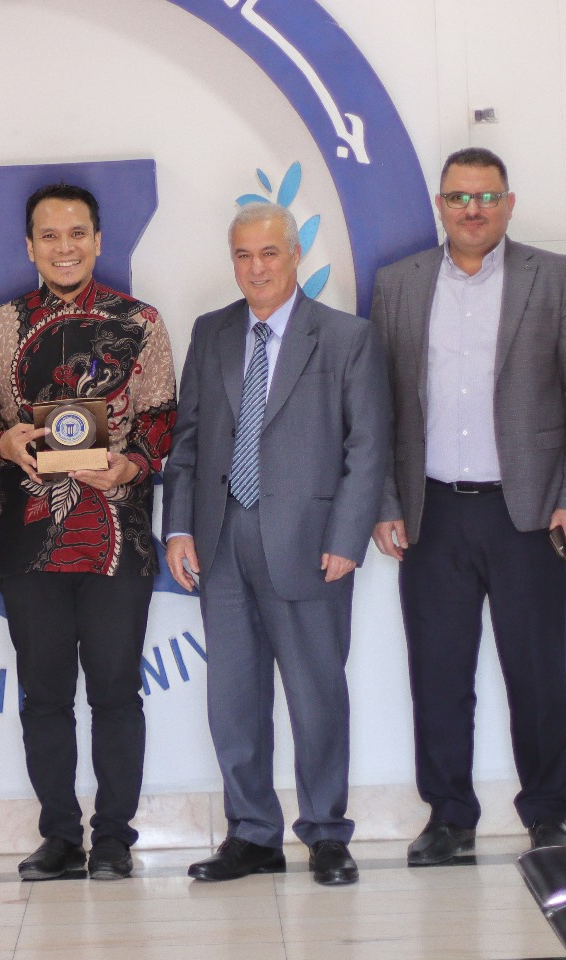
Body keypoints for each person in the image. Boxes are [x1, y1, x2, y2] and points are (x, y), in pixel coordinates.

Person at [0, 183, 176, 881]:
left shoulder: (141, 323)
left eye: (77, 233)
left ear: (98, 240)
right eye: (49, 235)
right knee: (44, 696)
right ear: (29, 246)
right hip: (29, 541)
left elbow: (164, 419)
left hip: (119, 537)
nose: (64, 247)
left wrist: (132, 464)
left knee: (115, 692)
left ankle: (113, 839)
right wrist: (2, 442)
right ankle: (58, 836)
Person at [163, 202, 390, 885]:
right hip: (222, 539)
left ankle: (326, 833)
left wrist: (348, 537)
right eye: (243, 255)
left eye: (268, 253)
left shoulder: (346, 337)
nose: (256, 268)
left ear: (295, 255)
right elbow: (188, 441)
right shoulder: (211, 332)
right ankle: (252, 834)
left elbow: (367, 447)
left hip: (312, 544)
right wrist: (179, 526)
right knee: (233, 700)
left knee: (317, 696)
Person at [371, 147, 566, 864]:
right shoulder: (399, 283)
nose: (473, 210)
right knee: (439, 674)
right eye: (459, 197)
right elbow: (379, 405)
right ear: (440, 205)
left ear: (509, 203)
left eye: (486, 196)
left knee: (540, 674)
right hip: (432, 512)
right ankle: (450, 818)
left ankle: (551, 812)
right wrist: (386, 500)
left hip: (530, 512)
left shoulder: (554, 278)